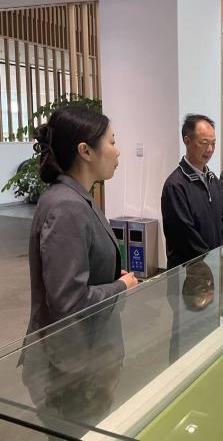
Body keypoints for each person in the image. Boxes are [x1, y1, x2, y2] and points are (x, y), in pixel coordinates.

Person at [25, 106, 138, 335]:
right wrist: (120, 286)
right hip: (72, 353)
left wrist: (109, 276)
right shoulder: (66, 206)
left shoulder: (74, 197)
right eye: (112, 142)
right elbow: (69, 303)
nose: (117, 152)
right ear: (85, 151)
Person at [161, 114, 223, 269]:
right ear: (187, 141)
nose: (210, 149)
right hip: (188, 270)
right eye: (204, 143)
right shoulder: (175, 185)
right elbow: (185, 235)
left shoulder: (213, 179)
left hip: (213, 265)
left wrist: (221, 252)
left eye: (213, 143)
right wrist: (210, 259)